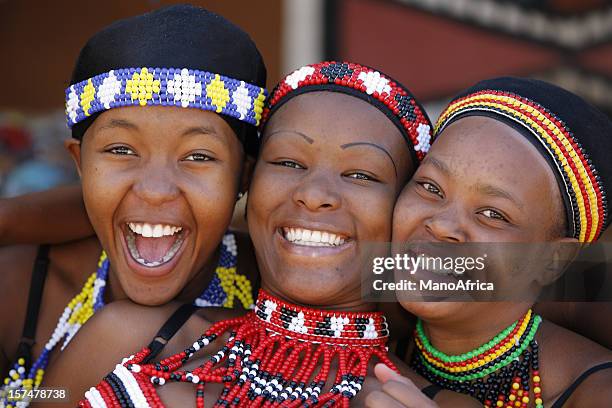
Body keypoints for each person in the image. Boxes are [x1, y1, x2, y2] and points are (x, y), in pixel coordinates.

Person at [40, 62, 478, 407]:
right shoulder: (125, 338)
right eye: (288, 163)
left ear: (405, 209)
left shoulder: (433, 404)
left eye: (362, 174)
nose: (314, 195)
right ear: (247, 182)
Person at [0, 5, 265, 403]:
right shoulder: (19, 289)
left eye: (198, 156)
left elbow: (387, 277)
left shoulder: (276, 286)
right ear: (80, 163)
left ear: (243, 178)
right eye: (121, 149)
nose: (156, 190)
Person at [386, 77, 612, 407]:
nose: (443, 225)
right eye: (431, 188)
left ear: (553, 260)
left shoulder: (593, 394)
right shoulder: (365, 342)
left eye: (493, 213)